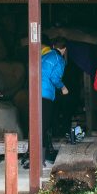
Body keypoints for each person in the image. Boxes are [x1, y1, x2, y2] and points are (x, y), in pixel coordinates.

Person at [41, 37, 70, 165]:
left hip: (35, 93)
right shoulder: (60, 60)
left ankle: (38, 154)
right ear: (64, 49)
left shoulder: (44, 56)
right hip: (46, 94)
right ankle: (42, 156)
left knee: (38, 125)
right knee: (45, 125)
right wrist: (63, 87)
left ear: (53, 46)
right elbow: (54, 77)